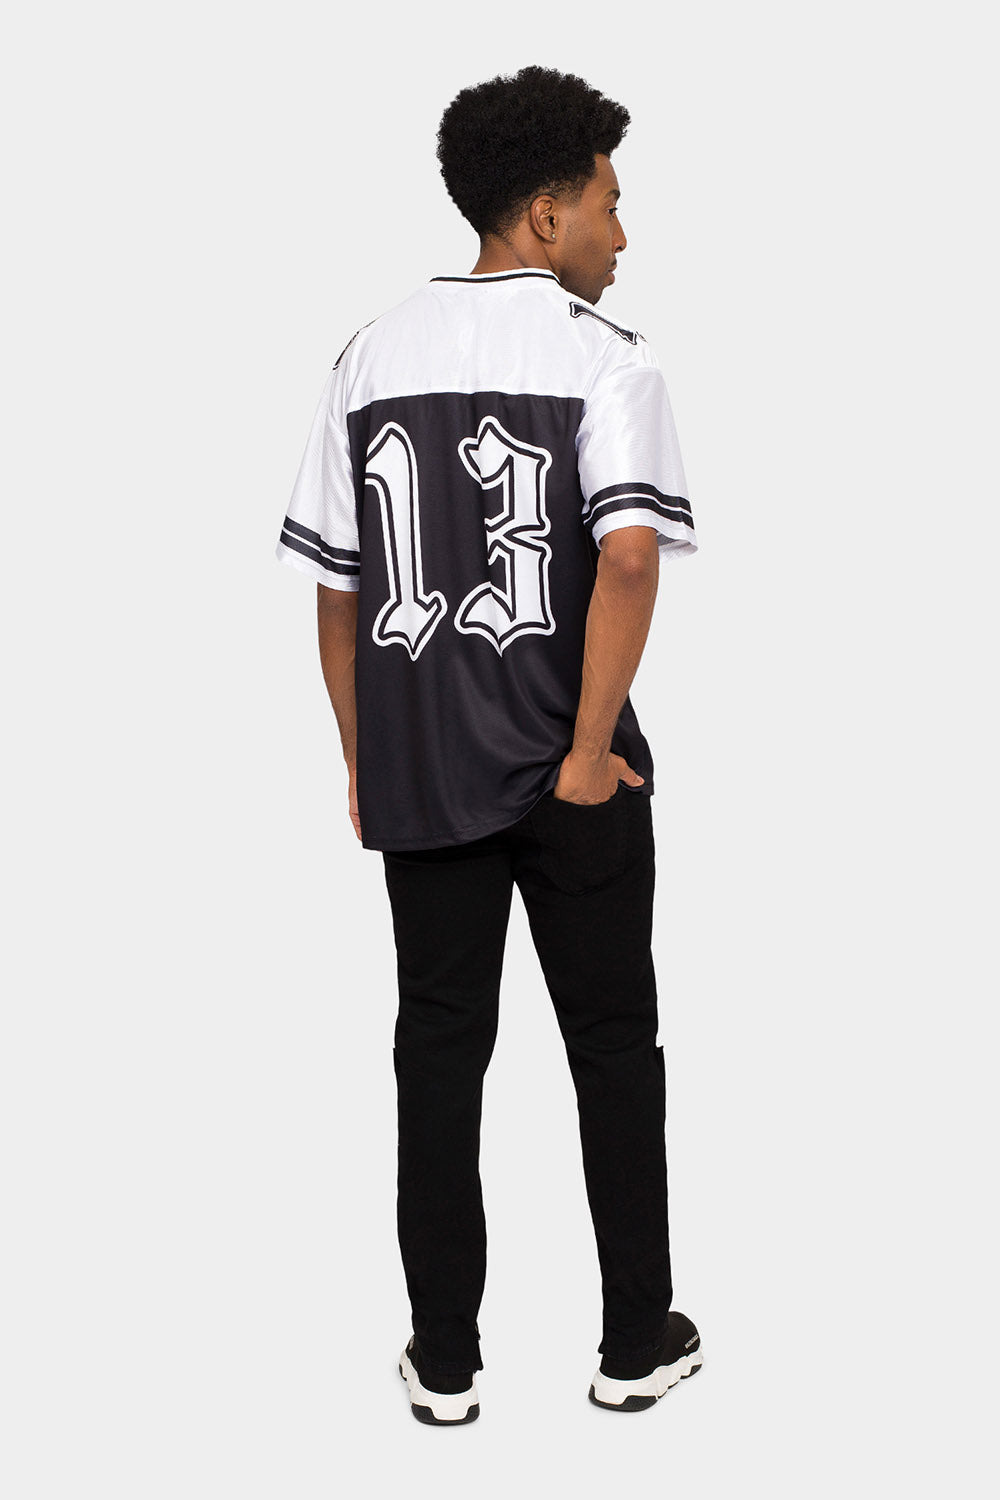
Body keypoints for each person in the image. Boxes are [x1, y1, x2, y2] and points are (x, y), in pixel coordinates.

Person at [275, 64, 704, 1424]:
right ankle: (634, 1341)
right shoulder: (605, 355)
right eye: (608, 205)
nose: (622, 235)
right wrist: (586, 749)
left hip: (427, 778)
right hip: (572, 771)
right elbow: (626, 558)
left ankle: (446, 1358)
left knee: (438, 1059)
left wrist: (365, 755)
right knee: (614, 1048)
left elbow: (337, 589)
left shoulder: (368, 355)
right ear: (544, 213)